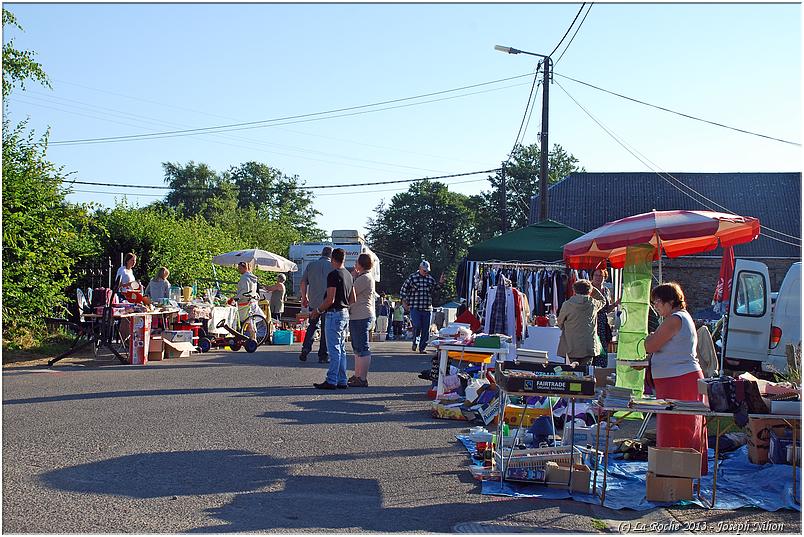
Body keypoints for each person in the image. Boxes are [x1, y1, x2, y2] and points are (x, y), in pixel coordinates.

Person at [645, 282, 708, 475]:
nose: (655, 306)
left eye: (657, 302)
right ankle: (676, 471)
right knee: (674, 426)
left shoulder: (674, 319)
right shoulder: (681, 318)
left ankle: (676, 471)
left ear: (670, 301)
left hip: (679, 381)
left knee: (678, 428)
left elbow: (651, 345)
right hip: (676, 379)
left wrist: (649, 338)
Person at [311, 248, 354, 390]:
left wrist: (318, 310)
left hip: (333, 313)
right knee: (341, 348)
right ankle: (342, 379)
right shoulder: (348, 275)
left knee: (334, 349)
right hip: (345, 313)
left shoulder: (333, 275)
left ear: (332, 259)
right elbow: (353, 298)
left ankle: (331, 380)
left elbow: (330, 299)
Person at [556, 279, 606, 367]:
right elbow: (603, 300)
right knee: (585, 373)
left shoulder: (567, 304)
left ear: (574, 290)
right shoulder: (593, 304)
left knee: (570, 373)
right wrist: (593, 289)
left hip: (571, 345)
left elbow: (560, 322)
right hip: (588, 346)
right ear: (589, 290)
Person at [400, 260, 446, 354]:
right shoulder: (412, 278)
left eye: (427, 271)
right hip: (415, 307)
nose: (426, 272)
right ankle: (415, 341)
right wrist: (404, 302)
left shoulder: (430, 279)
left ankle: (422, 348)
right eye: (424, 270)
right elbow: (403, 289)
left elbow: (435, 289)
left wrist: (440, 283)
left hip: (427, 308)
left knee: (426, 329)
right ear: (420, 268)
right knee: (417, 325)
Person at [299, 247, 333, 363]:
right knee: (325, 329)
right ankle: (323, 355)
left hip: (313, 302)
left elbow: (303, 282)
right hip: (327, 303)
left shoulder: (311, 265)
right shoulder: (333, 267)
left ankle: (305, 348)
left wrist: (304, 297)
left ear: (321, 253)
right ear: (331, 255)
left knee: (312, 325)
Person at [347, 253, 375, 388]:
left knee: (362, 347)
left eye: (357, 262)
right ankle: (358, 375)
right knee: (357, 347)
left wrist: (352, 277)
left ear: (360, 264)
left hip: (361, 315)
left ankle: (362, 377)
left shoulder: (365, 278)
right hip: (358, 314)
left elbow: (350, 292)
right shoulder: (364, 277)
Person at [591, 267, 619, 367]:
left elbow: (606, 309)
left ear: (605, 277)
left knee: (602, 349)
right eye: (596, 275)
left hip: (602, 323)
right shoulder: (588, 289)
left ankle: (600, 373)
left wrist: (615, 304)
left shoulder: (606, 290)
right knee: (591, 349)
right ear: (592, 276)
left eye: (601, 275)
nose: (598, 278)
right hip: (591, 322)